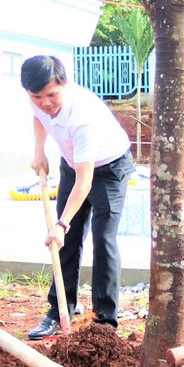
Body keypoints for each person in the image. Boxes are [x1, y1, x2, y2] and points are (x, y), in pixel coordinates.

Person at [21, 55, 134, 339]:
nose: (46, 102)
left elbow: (85, 183)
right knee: (67, 240)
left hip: (108, 167)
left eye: (52, 95)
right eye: (38, 96)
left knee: (103, 239)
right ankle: (58, 311)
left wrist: (60, 224)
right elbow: (38, 117)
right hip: (72, 163)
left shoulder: (83, 117)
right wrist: (39, 150)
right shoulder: (36, 99)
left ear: (65, 84)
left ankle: (104, 323)